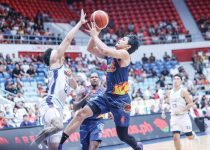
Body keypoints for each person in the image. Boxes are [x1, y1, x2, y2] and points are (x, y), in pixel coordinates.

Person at [58, 22, 142, 150]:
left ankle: (137, 146)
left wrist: (96, 35)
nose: (120, 39)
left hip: (121, 102)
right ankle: (59, 143)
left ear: (128, 46)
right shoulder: (110, 55)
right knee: (81, 114)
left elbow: (104, 49)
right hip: (107, 96)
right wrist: (95, 34)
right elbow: (90, 49)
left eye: (123, 39)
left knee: (123, 136)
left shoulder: (125, 55)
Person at [33, 9, 87, 150]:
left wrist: (71, 76)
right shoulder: (54, 64)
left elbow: (74, 87)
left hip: (60, 109)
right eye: (54, 52)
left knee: (55, 147)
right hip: (50, 103)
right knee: (58, 126)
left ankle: (43, 142)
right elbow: (68, 39)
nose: (58, 52)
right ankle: (37, 141)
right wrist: (80, 23)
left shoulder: (64, 70)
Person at [162, 74, 199, 150]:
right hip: (174, 117)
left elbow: (190, 103)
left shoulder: (184, 92)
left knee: (189, 137)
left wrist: (183, 110)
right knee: (175, 137)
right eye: (174, 79)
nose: (175, 80)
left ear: (181, 81)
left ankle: (193, 135)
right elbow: (166, 102)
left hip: (183, 117)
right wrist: (163, 111)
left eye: (178, 79)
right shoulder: (169, 92)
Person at [73, 72, 105, 150]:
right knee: (85, 148)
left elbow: (109, 104)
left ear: (98, 79)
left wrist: (111, 112)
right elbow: (75, 107)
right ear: (89, 80)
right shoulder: (84, 90)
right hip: (85, 122)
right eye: (92, 77)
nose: (94, 78)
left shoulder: (104, 91)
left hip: (98, 121)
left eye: (96, 77)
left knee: (94, 146)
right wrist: (86, 97)